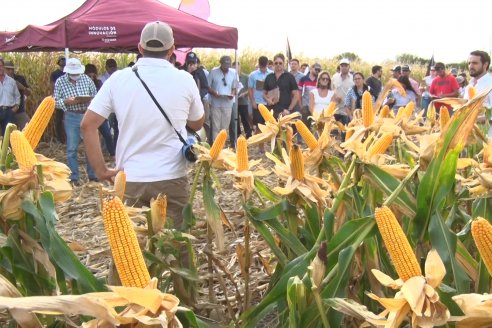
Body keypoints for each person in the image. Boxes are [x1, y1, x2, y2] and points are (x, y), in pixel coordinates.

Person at [81, 20, 204, 228]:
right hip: (172, 177)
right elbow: (198, 121)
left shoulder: (118, 79)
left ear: (140, 48)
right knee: (176, 248)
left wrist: (100, 170)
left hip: (130, 179)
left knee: (131, 251)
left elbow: (88, 125)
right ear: (172, 49)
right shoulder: (185, 79)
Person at [54, 58, 98, 185]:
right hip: (71, 116)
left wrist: (88, 100)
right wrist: (67, 101)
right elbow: (55, 102)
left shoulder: (87, 79)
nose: (75, 76)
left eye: (77, 73)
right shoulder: (60, 82)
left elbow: (96, 96)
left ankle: (92, 175)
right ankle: (74, 178)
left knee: (90, 146)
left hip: (86, 114)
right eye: (73, 74)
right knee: (72, 149)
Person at [85, 63, 115, 160]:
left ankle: (112, 153)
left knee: (107, 134)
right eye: (89, 74)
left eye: (93, 74)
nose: (91, 76)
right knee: (91, 136)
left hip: (100, 112)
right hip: (88, 112)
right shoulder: (84, 83)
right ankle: (97, 156)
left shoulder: (99, 82)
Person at [207, 55, 237, 142]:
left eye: (228, 65)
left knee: (224, 128)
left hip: (228, 103)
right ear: (220, 63)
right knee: (216, 127)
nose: (227, 68)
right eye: (225, 65)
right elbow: (207, 86)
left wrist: (232, 94)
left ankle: (222, 147)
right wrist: (214, 92)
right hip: (216, 103)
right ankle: (216, 148)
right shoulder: (213, 72)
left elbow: (235, 87)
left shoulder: (233, 73)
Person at [464, 50, 492, 136]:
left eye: (475, 63)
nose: (470, 66)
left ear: (485, 65)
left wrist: (472, 119)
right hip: (469, 135)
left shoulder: (490, 84)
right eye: (469, 63)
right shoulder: (469, 85)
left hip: (487, 137)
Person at [263, 53, 299, 118]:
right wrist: (267, 100)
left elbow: (296, 95)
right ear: (273, 64)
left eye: (280, 63)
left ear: (284, 63)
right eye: (276, 63)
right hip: (271, 111)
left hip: (286, 112)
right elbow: (264, 93)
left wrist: (289, 109)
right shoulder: (269, 77)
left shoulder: (290, 76)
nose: (278, 65)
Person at [248, 55, 271, 152]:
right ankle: (261, 147)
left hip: (269, 103)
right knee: (259, 126)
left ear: (267, 64)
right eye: (261, 66)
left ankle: (267, 143)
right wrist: (253, 101)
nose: (263, 68)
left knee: (268, 125)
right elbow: (250, 89)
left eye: (264, 66)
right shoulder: (253, 75)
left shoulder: (271, 74)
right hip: (257, 103)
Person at [4, 60, 31, 130]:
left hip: (20, 111)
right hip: (5, 112)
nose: (10, 71)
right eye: (8, 69)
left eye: (12, 69)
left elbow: (29, 93)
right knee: (7, 135)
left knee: (28, 129)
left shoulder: (20, 78)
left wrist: (22, 87)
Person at [0, 59, 21, 136]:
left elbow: (17, 96)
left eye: (1, 66)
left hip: (9, 111)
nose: (0, 68)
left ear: (4, 67)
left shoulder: (11, 81)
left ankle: (8, 148)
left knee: (9, 135)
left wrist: (16, 107)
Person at [232, 62, 252, 140]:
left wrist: (244, 94)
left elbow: (250, 89)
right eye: (233, 68)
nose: (235, 69)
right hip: (234, 102)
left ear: (240, 67)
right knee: (235, 119)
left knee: (245, 119)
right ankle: (238, 135)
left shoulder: (246, 77)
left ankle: (248, 135)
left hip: (243, 102)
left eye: (237, 67)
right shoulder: (231, 77)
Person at [331, 58, 354, 127]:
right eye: (342, 65)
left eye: (345, 65)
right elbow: (331, 90)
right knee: (333, 131)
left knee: (345, 132)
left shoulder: (353, 78)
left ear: (349, 67)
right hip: (335, 109)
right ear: (340, 67)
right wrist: (335, 97)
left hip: (346, 111)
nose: (344, 67)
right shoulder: (335, 77)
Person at [50, 56, 66, 143]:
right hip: (59, 99)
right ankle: (60, 139)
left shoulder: (68, 73)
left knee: (68, 120)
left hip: (68, 100)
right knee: (59, 120)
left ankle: (67, 139)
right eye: (61, 60)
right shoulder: (55, 74)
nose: (63, 62)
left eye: (64, 60)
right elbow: (52, 86)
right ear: (58, 62)